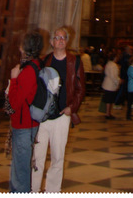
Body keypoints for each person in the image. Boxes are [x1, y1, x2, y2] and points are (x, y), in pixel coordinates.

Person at [31, 27, 85, 193]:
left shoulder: (74, 61)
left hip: (62, 116)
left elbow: (80, 88)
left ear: (67, 41)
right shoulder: (44, 61)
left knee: (57, 157)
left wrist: (72, 107)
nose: (60, 40)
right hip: (43, 117)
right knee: (37, 157)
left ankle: (52, 191)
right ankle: (33, 189)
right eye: (57, 37)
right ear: (52, 42)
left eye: (63, 37)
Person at [6, 30, 43, 193]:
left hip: (24, 124)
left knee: (20, 169)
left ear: (25, 47)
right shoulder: (35, 65)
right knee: (18, 166)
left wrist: (14, 79)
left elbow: (14, 103)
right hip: (27, 122)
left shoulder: (29, 71)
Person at [102, 51, 120, 119]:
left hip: (107, 83)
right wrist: (117, 82)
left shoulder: (108, 63)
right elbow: (114, 76)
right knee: (109, 100)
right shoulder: (113, 65)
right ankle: (108, 113)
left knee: (108, 100)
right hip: (110, 85)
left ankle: (108, 113)